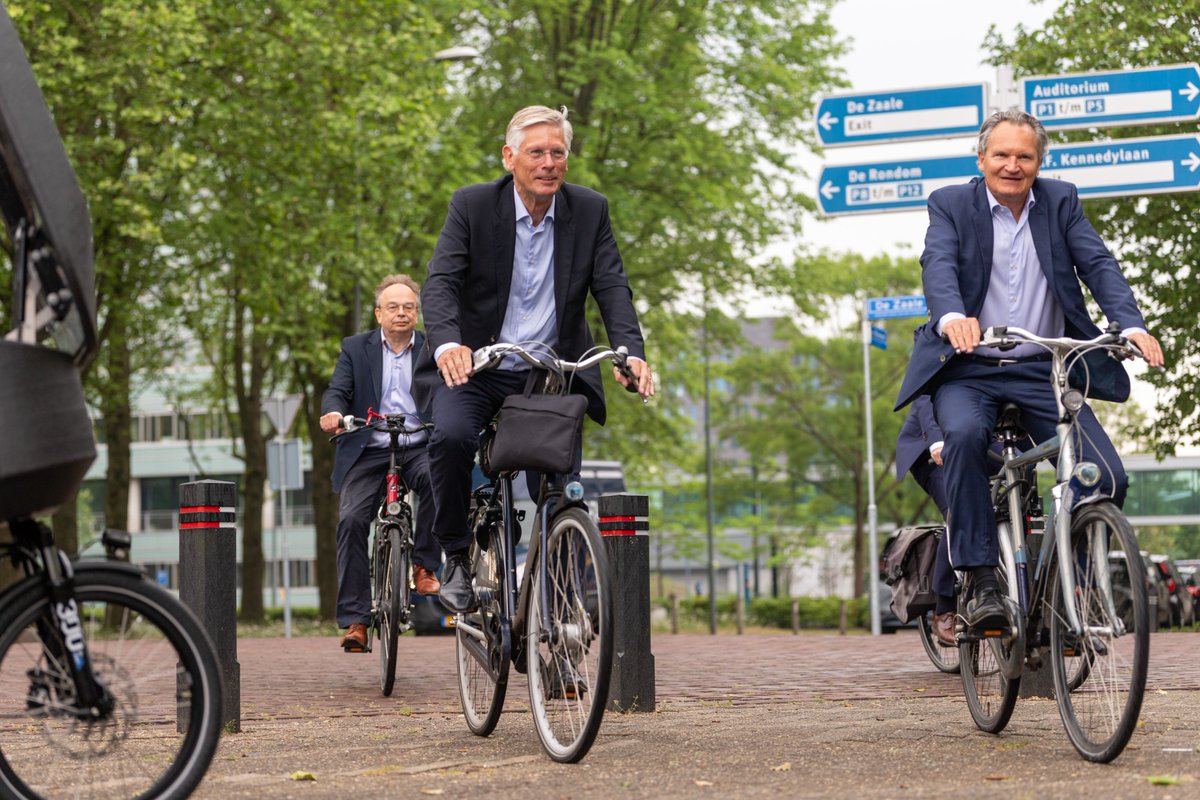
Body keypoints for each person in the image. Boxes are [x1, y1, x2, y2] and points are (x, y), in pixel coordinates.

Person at [894, 108, 1164, 634]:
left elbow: (1099, 265)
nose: (1013, 166)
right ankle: (981, 584)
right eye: (1002, 155)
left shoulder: (1060, 202)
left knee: (1106, 476)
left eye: (1024, 156)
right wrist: (952, 317)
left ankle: (1068, 591)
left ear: (1039, 162)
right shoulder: (950, 203)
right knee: (967, 437)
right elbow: (939, 264)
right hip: (969, 368)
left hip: (1045, 367)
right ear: (982, 158)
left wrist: (1128, 325)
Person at [417, 105, 655, 613]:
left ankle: (560, 619)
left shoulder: (589, 210)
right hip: (478, 367)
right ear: (509, 158)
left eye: (558, 152)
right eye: (536, 152)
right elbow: (440, 283)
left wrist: (628, 353)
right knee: (452, 437)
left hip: (548, 377)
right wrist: (447, 344)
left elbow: (612, 286)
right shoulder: (473, 206)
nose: (549, 162)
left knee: (560, 494)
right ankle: (456, 554)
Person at [320, 274, 442, 651]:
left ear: (417, 314)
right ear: (378, 314)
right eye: (393, 307)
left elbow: (451, 390)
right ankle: (356, 620)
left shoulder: (433, 348)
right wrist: (334, 413)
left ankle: (424, 565)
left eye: (408, 307)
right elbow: (338, 390)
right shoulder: (355, 349)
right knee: (352, 519)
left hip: (419, 443)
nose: (401, 313)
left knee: (441, 482)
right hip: (368, 447)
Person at [894, 394, 955, 645]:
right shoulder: (947, 354)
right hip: (930, 449)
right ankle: (944, 609)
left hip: (976, 440)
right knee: (959, 512)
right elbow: (924, 401)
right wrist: (936, 440)